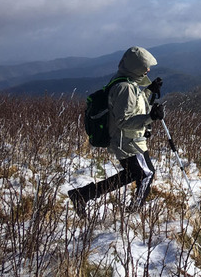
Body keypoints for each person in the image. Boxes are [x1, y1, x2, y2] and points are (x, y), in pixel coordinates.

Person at [69, 46, 165, 217]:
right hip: (128, 142)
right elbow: (123, 121)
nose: (148, 70)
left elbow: (133, 103)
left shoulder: (125, 80)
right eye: (145, 66)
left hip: (129, 140)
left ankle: (83, 195)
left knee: (131, 174)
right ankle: (133, 213)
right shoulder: (124, 87)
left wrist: (149, 90)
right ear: (135, 66)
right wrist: (150, 117)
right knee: (146, 174)